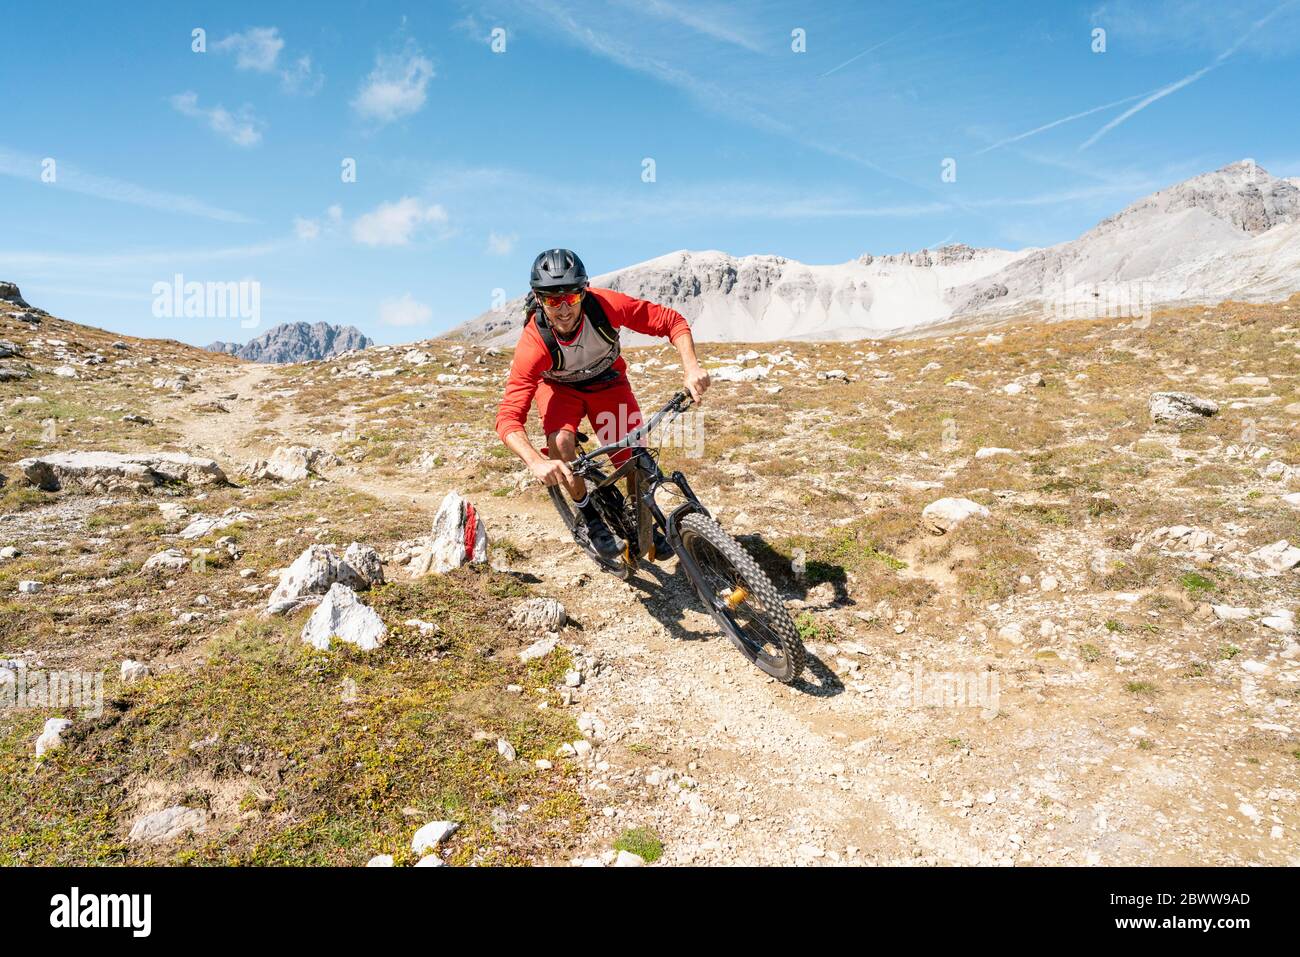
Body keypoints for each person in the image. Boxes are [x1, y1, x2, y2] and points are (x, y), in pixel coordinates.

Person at [494, 248, 711, 560]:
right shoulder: (534, 344)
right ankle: (590, 517)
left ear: (585, 291)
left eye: (571, 297)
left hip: (607, 383)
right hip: (559, 389)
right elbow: (507, 418)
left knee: (632, 455)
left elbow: (671, 322)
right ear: (539, 300)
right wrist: (535, 461)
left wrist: (691, 368)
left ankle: (640, 516)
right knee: (561, 442)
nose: (564, 308)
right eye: (553, 300)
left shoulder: (606, 306)